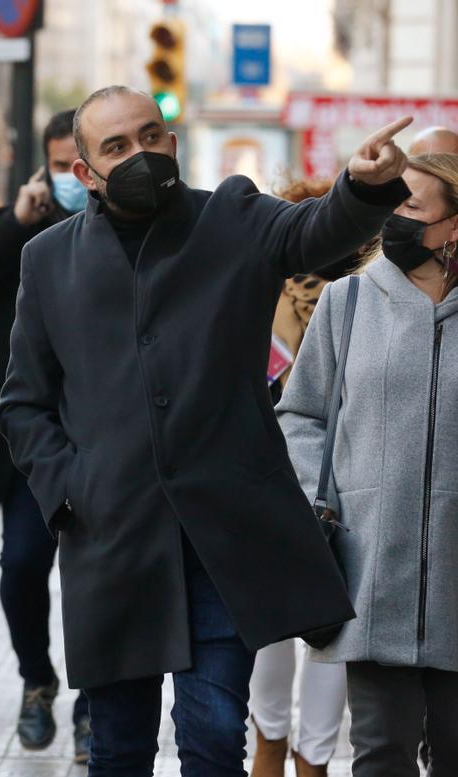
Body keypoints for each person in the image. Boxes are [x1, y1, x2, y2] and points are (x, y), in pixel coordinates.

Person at [0, 85, 411, 775]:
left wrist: (362, 187)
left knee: (215, 740)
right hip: (113, 544)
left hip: (224, 541)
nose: (142, 153)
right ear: (85, 173)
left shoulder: (234, 217)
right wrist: (71, 490)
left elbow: (316, 233)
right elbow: (22, 403)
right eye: (118, 147)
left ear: (173, 139)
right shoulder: (48, 260)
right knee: (118, 746)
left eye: (152, 135)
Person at [277, 152, 458, 777]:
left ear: (453, 227)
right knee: (380, 754)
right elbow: (300, 416)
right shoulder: (347, 302)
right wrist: (319, 502)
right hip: (373, 570)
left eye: (411, 207)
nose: (393, 220)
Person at [0, 109, 91, 756]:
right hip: (31, 440)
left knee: (98, 576)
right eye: (60, 164)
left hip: (104, 439)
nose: (71, 177)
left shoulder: (127, 222)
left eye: (79, 163)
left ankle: (95, 698)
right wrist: (18, 219)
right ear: (44, 166)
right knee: (23, 564)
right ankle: (38, 679)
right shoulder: (23, 226)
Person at [248, 178, 356, 777]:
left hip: (347, 484)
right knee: (271, 624)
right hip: (265, 476)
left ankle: (312, 757)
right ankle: (269, 741)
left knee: (330, 625)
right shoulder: (258, 289)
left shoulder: (361, 293)